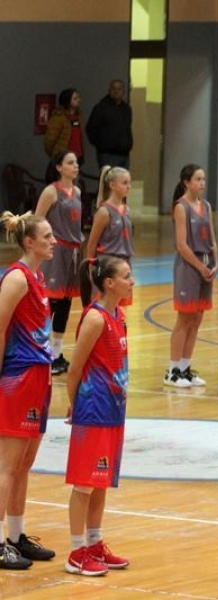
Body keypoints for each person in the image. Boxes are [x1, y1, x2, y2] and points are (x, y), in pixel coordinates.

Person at [64, 256, 132, 576]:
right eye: (126, 276)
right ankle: (76, 552)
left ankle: (94, 543)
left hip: (113, 410)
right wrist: (74, 404)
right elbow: (74, 368)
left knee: (100, 482)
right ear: (109, 283)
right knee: (84, 485)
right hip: (93, 410)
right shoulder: (94, 318)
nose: (132, 282)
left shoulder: (120, 315)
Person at [0, 211, 57, 570]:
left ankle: (16, 536)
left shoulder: (37, 276)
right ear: (29, 242)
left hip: (39, 376)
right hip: (18, 377)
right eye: (47, 236)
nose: (53, 241)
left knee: (24, 465)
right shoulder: (17, 278)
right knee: (6, 466)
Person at [165, 164, 218, 388]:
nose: (202, 183)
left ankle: (185, 368)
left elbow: (212, 239)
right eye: (198, 179)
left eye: (203, 179)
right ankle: (172, 371)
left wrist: (215, 262)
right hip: (189, 266)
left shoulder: (206, 206)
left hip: (205, 264)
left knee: (197, 318)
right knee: (185, 318)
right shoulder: (181, 207)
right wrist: (200, 266)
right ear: (186, 182)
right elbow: (182, 244)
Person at [34, 150, 84, 376]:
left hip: (73, 252)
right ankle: (41, 352)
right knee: (50, 304)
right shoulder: (51, 192)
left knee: (65, 304)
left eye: (76, 162)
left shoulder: (78, 192)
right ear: (58, 167)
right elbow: (36, 222)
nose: (75, 166)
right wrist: (42, 249)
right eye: (70, 162)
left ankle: (57, 354)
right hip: (56, 252)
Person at [84, 166, 134, 308]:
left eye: (129, 183)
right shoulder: (104, 212)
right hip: (107, 265)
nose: (129, 186)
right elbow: (91, 244)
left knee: (120, 311)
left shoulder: (127, 210)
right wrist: (91, 271)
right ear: (112, 185)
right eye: (124, 183)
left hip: (124, 264)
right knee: (104, 308)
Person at [86, 79, 133, 169]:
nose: (116, 91)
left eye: (119, 89)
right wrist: (101, 145)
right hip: (107, 155)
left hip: (124, 154)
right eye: (113, 88)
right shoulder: (101, 108)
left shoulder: (126, 109)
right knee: (108, 178)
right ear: (109, 90)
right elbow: (91, 128)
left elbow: (127, 129)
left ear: (123, 91)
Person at [43, 88, 85, 166]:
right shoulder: (59, 117)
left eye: (78, 97)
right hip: (63, 157)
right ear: (67, 101)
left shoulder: (79, 116)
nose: (79, 100)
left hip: (77, 156)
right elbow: (50, 141)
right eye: (75, 98)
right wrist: (56, 155)